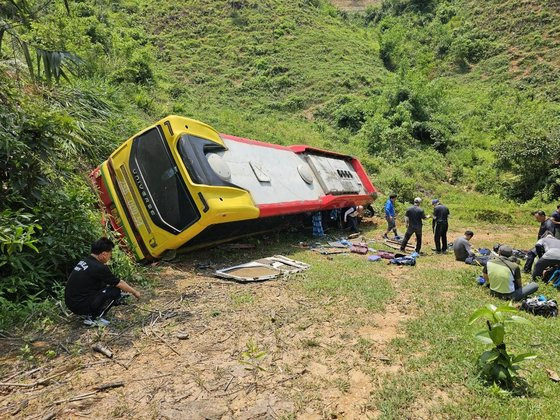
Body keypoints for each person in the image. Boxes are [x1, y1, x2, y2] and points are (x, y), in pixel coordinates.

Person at [65, 237, 141, 327]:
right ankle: (93, 318)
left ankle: (91, 310)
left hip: (72, 302)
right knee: (115, 290)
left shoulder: (85, 261)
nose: (110, 256)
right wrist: (135, 292)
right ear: (104, 254)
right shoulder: (99, 267)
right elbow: (119, 283)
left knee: (105, 285)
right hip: (80, 305)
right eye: (110, 254)